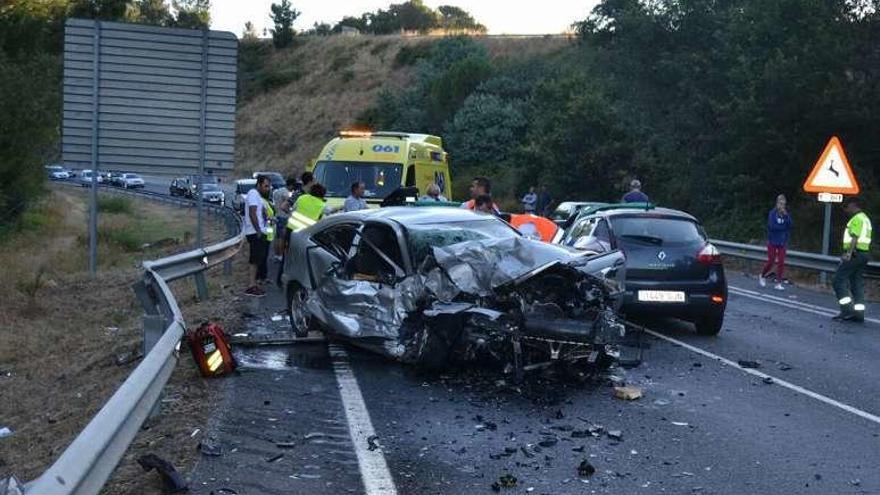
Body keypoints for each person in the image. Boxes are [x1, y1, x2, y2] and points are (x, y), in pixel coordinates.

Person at [832, 197, 872, 322]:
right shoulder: (865, 219)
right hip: (864, 254)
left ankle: (847, 310)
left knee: (838, 280)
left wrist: (848, 253)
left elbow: (854, 236)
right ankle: (859, 314)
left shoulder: (856, 219)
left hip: (854, 253)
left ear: (853, 205)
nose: (846, 210)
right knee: (856, 284)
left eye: (847, 207)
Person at [244, 175, 273, 296]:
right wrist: (258, 230)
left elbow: (259, 213)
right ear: (258, 185)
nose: (268, 188)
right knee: (255, 260)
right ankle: (251, 286)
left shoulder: (258, 197)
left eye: (269, 186)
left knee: (258, 259)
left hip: (259, 230)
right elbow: (252, 212)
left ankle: (254, 284)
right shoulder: (253, 193)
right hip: (254, 232)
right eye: (266, 186)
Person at [759, 194, 793, 290]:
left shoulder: (786, 214)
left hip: (782, 241)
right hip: (773, 241)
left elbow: (790, 225)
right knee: (771, 261)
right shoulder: (772, 213)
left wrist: (786, 216)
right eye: (780, 204)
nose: (782, 206)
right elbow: (772, 226)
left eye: (784, 204)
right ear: (777, 203)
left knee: (781, 262)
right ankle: (762, 275)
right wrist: (783, 228)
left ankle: (778, 283)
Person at [272, 176, 296, 261]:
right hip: (284, 217)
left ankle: (276, 254)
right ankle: (281, 255)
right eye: (293, 186)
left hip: (277, 215)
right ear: (291, 185)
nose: (293, 189)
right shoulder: (286, 193)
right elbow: (287, 205)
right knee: (282, 238)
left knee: (277, 237)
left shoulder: (277, 191)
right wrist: (290, 212)